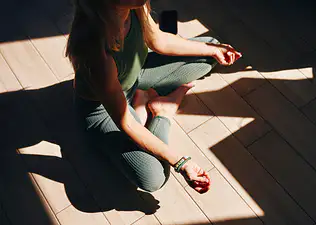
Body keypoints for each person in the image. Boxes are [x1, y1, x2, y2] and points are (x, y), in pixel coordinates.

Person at [66, 0, 241, 194]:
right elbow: (127, 124)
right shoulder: (96, 51)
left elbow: (159, 41)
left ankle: (141, 100)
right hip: (104, 112)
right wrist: (181, 162)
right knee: (154, 177)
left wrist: (212, 50)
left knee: (212, 50)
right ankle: (162, 112)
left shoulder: (134, 6)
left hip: (134, 74)